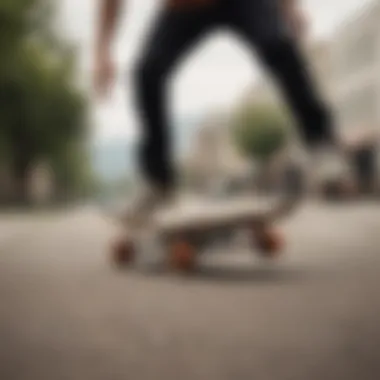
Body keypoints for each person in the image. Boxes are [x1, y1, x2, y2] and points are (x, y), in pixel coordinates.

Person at [94, 0, 343, 225]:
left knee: (277, 44)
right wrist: (103, 51)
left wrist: (289, 7)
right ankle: (159, 182)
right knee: (148, 73)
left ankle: (320, 141)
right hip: (182, 9)